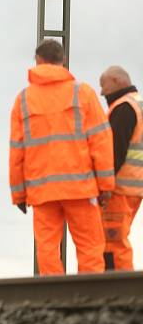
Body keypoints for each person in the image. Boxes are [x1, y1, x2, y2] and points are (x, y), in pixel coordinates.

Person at [9, 39, 114, 275]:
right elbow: (101, 141)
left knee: (47, 249)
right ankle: (92, 297)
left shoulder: (23, 100)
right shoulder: (83, 93)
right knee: (90, 246)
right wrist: (106, 185)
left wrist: (18, 194)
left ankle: (53, 299)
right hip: (80, 187)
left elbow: (17, 151)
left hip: (42, 190)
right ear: (63, 61)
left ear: (37, 61)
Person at [99, 65, 142, 270]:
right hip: (134, 187)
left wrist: (102, 185)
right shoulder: (138, 104)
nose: (101, 92)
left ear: (117, 81)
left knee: (113, 243)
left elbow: (114, 152)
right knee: (115, 240)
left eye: (103, 85)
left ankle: (120, 292)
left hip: (119, 189)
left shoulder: (123, 108)